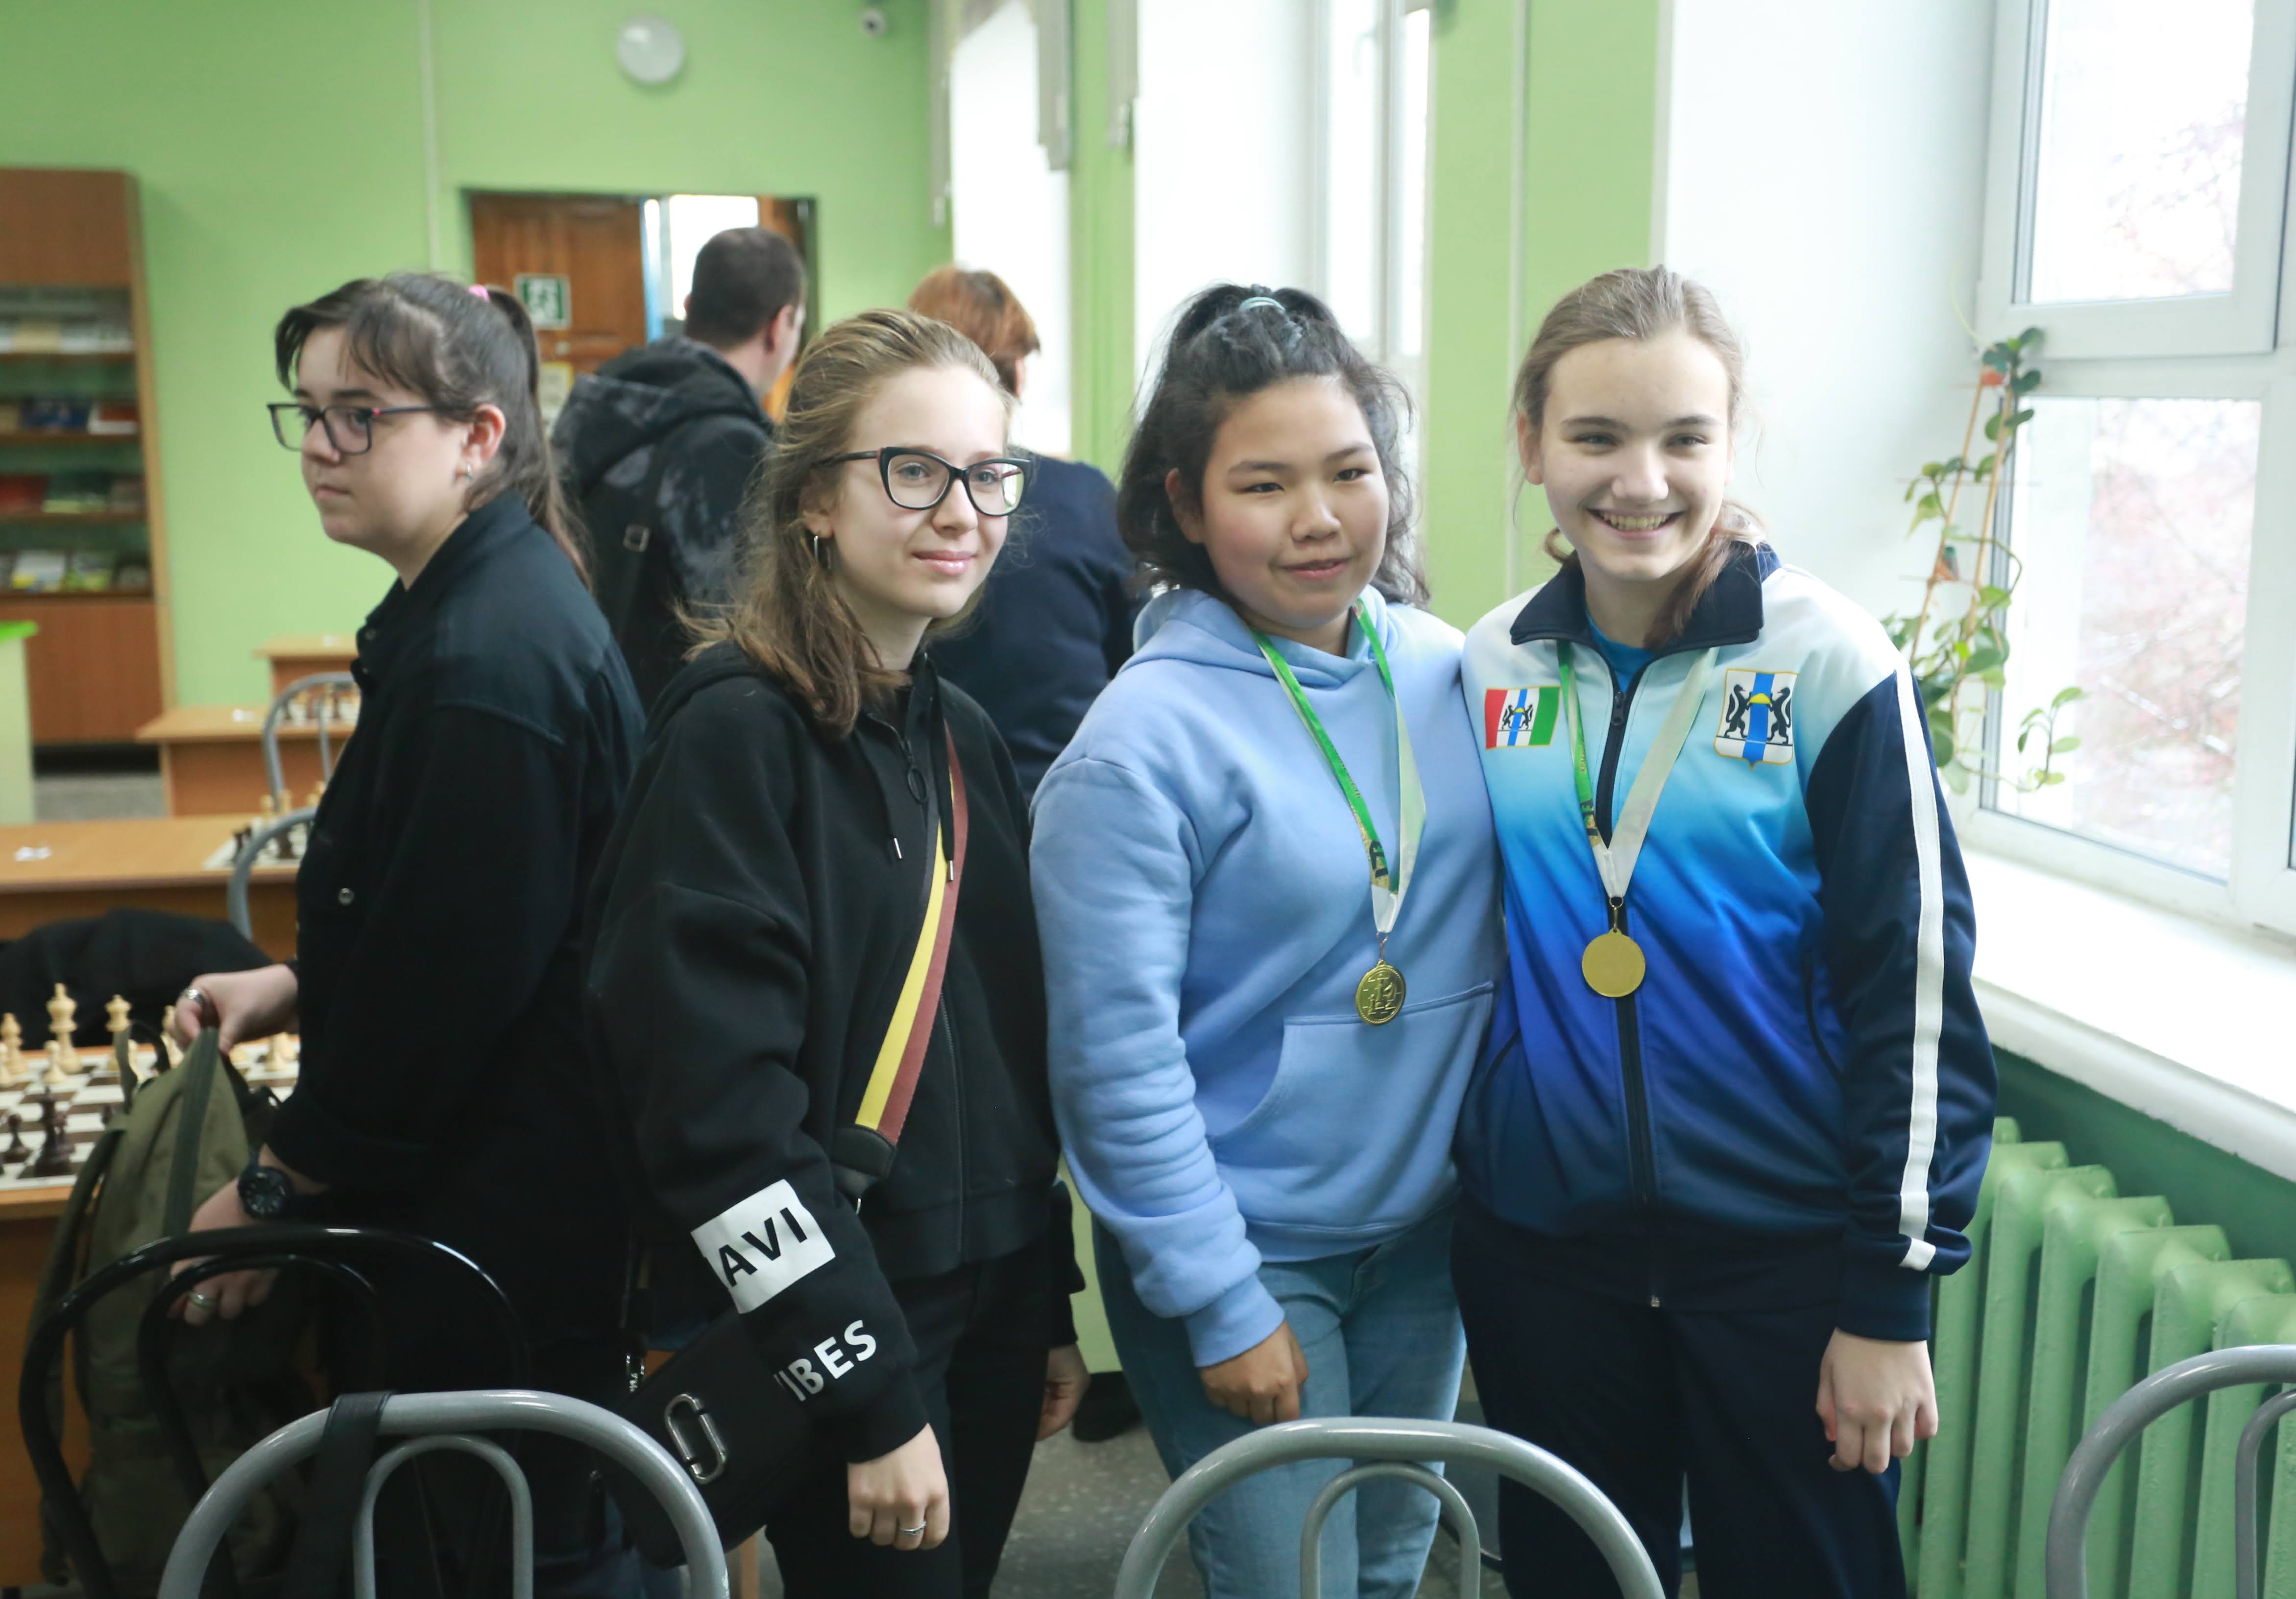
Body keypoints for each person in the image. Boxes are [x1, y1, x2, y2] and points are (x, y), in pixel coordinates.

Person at [1454, 265, 1997, 1598]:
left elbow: (1914, 992)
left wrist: (1888, 1297)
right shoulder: (1490, 664)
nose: (1640, 481)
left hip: (1787, 1265)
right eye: (1595, 437)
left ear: (1728, 444)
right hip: (1548, 1262)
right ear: (1530, 445)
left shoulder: (1830, 663)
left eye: (1682, 438)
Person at [584, 308, 1088, 1599]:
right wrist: (864, 1389)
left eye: (988, 474)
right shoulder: (733, 736)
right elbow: (715, 1115)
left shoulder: (963, 736)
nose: (960, 511)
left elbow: (1004, 1050)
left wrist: (1045, 1300)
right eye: (912, 471)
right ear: (815, 497)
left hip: (992, 1295)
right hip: (850, 1308)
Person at [172, 273, 646, 1595]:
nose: (321, 447)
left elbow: (446, 998)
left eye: (361, 415)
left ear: (478, 437)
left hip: (496, 1220)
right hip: (485, 1194)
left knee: (505, 1551)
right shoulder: (472, 604)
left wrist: (272, 1189)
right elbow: (465, 911)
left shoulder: (488, 658)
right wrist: (297, 980)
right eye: (310, 412)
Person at [1032, 286, 1503, 1599]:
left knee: (1391, 1566)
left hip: (1422, 1239)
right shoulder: (1135, 748)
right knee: (1293, 1582)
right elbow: (1114, 1065)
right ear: (1183, 506)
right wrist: (1219, 1298)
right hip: (1247, 1248)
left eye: (1350, 471)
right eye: (1264, 484)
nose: (1319, 518)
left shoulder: (1450, 671)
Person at [555, 225, 805, 710]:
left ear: (690, 307)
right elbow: (747, 636)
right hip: (665, 727)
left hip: (576, 699)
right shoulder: (733, 447)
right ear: (781, 325)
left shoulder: (599, 402)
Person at [910, 265, 1134, 794]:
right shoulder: (1086, 498)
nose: (962, 517)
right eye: (914, 476)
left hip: (954, 799)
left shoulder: (1084, 498)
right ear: (1017, 375)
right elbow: (1134, 656)